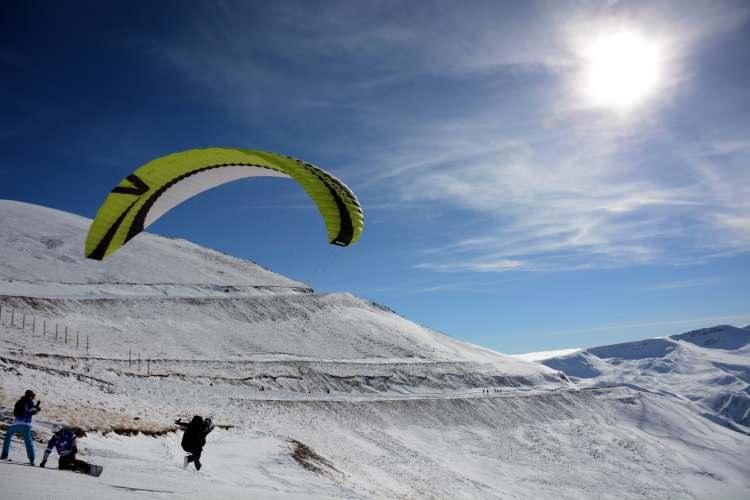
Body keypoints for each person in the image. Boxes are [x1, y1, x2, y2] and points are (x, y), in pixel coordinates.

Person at [1, 389, 41, 464]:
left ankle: (4, 454)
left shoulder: (19, 401)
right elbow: (31, 411)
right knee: (28, 441)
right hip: (26, 424)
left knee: (8, 436)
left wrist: (35, 407)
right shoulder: (30, 401)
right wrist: (37, 408)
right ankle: (31, 459)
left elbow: (17, 412)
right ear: (31, 395)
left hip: (16, 423)